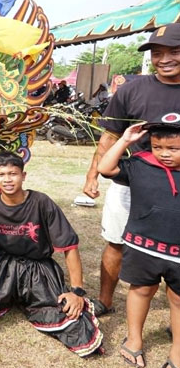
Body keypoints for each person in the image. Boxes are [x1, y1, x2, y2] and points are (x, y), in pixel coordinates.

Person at [0, 151, 103, 358]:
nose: (8, 179)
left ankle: (22, 297)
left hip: (38, 268)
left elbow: (69, 247)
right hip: (3, 265)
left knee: (68, 318)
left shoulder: (41, 202)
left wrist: (76, 292)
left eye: (13, 173)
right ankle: (12, 296)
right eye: (2, 174)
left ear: (23, 176)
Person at [82, 23, 180, 317]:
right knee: (115, 241)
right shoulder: (133, 89)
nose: (164, 59)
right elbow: (110, 135)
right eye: (157, 53)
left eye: (173, 52)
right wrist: (92, 175)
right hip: (132, 182)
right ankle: (105, 300)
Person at [97, 116, 180, 368]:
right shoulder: (140, 164)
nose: (164, 154)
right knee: (141, 290)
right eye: (158, 147)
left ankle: (177, 351)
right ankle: (134, 340)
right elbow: (106, 168)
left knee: (177, 299)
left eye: (174, 149)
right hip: (143, 245)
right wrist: (124, 140)